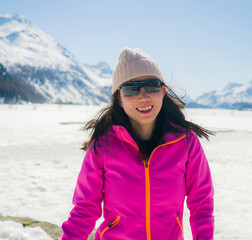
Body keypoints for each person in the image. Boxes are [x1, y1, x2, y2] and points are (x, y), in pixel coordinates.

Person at [59, 47, 214, 240]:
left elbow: (202, 203)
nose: (143, 96)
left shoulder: (187, 142)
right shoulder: (103, 147)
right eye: (131, 89)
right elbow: (85, 209)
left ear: (162, 91)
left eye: (151, 86)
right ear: (120, 99)